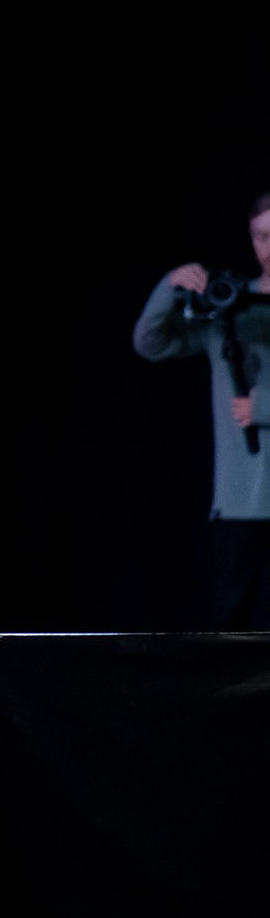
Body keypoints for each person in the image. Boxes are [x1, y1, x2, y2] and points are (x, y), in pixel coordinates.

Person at [134, 192, 270, 627]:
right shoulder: (228, 308)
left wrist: (264, 407)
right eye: (262, 236)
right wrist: (170, 285)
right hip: (240, 503)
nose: (269, 246)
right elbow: (150, 343)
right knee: (230, 623)